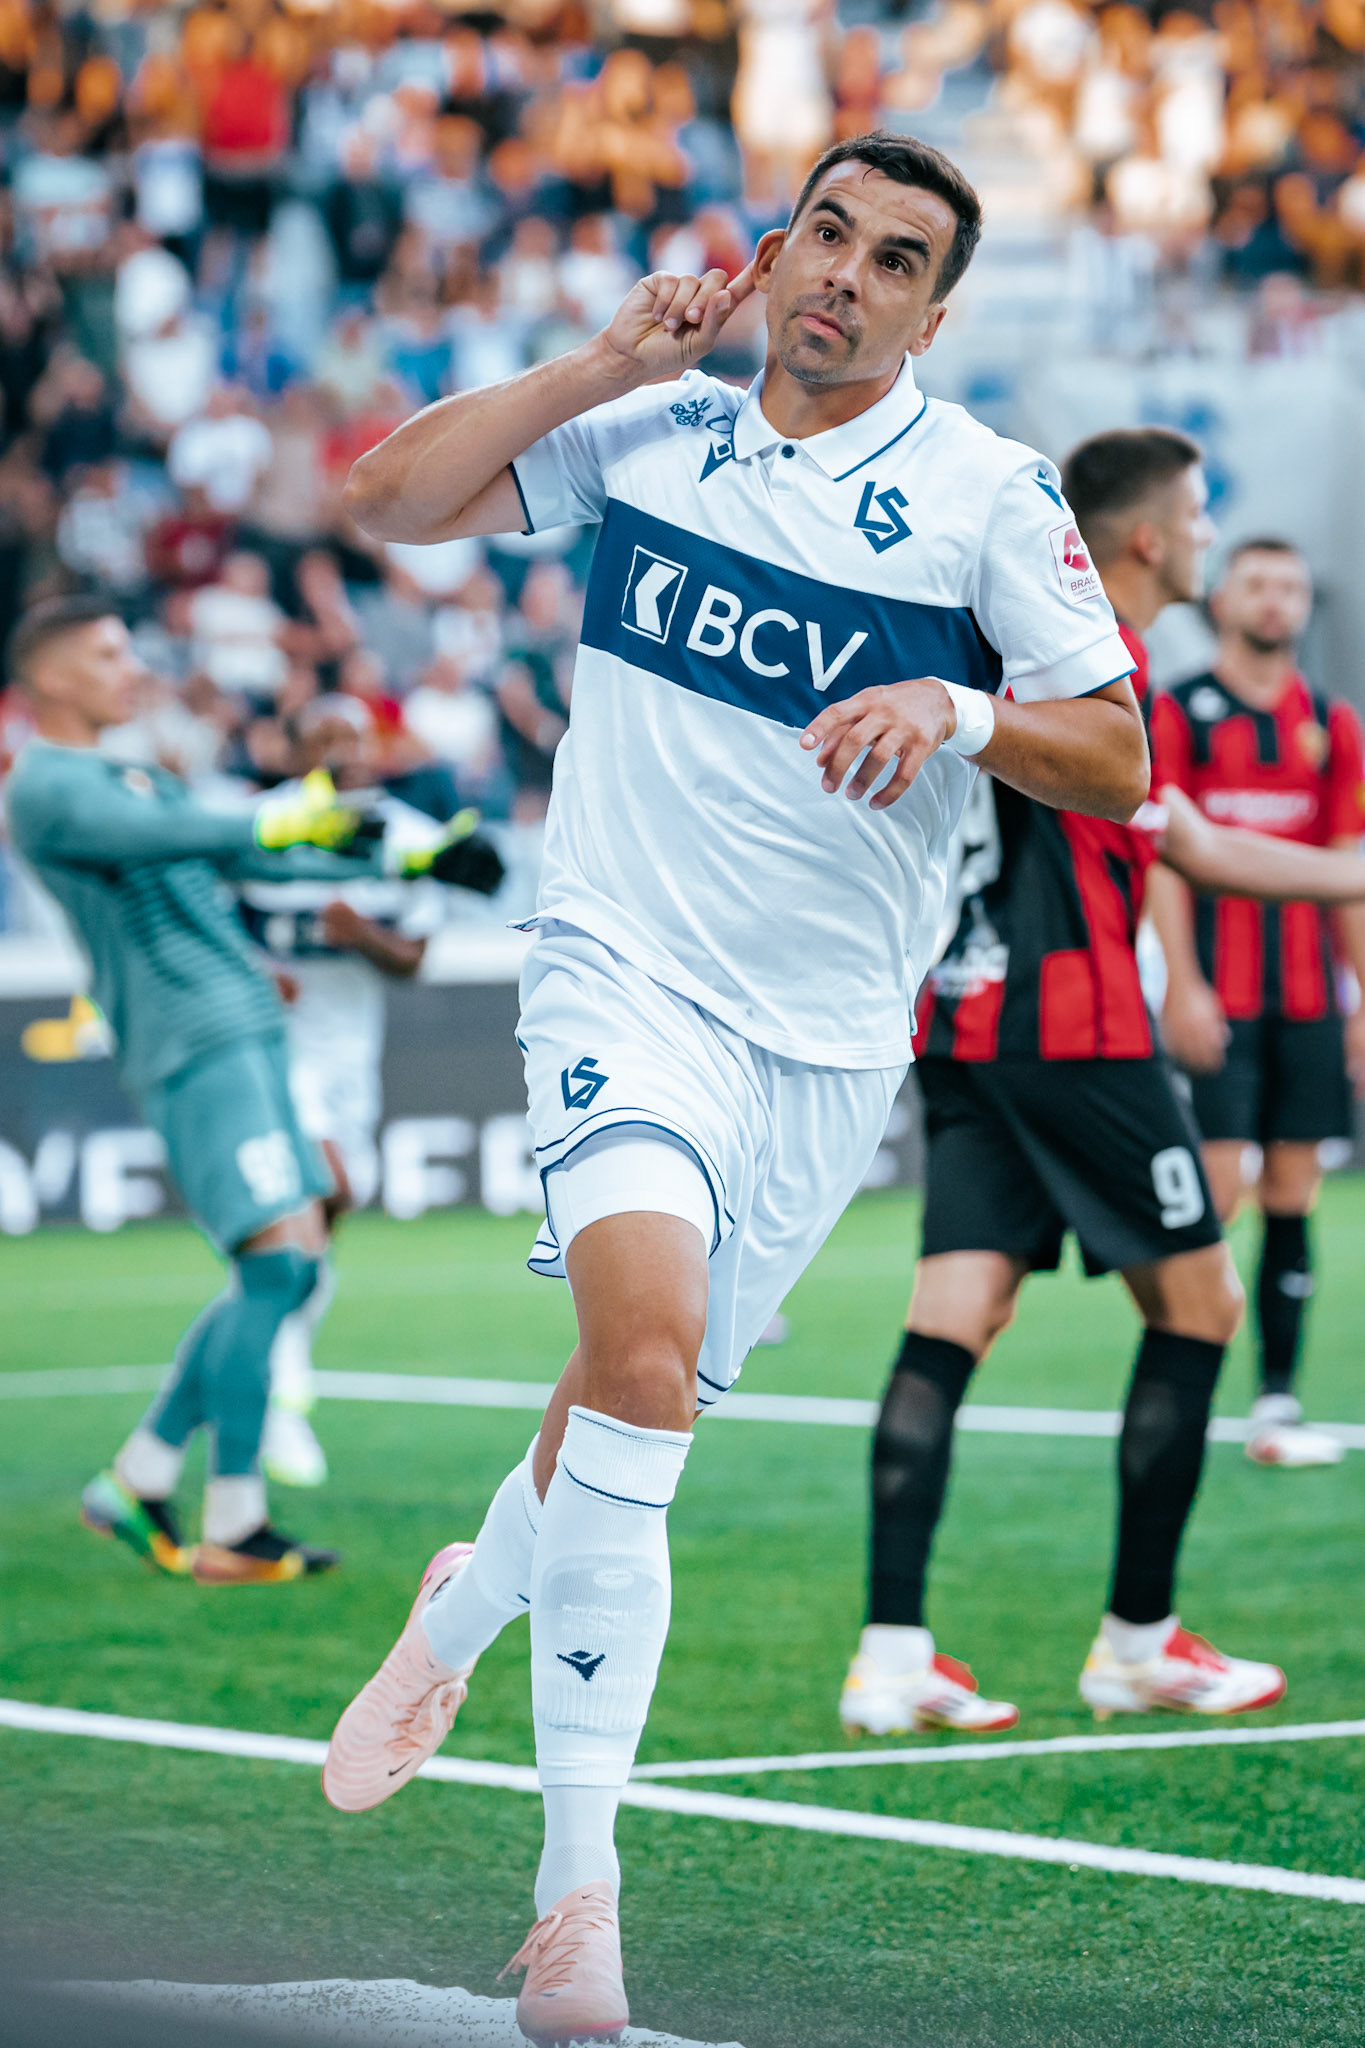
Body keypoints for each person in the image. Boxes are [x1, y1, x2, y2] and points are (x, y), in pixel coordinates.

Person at [323, 131, 1148, 2044]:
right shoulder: (654, 429)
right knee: (637, 1362)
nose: (843, 275)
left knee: (638, 1393)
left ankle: (461, 1607)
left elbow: (1114, 761)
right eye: (824, 233)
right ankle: (576, 1900)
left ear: (938, 310)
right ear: (776, 247)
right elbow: (386, 500)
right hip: (617, 967)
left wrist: (957, 708)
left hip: (832, 1042)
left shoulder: (986, 499)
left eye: (895, 259)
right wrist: (606, 363)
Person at [839, 427, 1291, 1746]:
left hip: (967, 1018)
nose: (1208, 536)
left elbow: (1183, 842)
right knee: (1201, 1305)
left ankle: (891, 1655)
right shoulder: (1101, 660)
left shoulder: (986, 643)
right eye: (1200, 516)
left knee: (952, 1319)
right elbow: (1185, 845)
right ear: (1145, 537)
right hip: (1079, 1025)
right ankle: (1140, 1643)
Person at [6, 597, 498, 1581]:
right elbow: (197, 830)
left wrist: (403, 852)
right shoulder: (49, 783)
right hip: (195, 1041)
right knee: (278, 1265)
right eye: (107, 652)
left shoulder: (129, 769)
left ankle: (142, 1477)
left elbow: (237, 844)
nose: (130, 666)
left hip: (247, 1033)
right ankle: (231, 1517)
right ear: (50, 675)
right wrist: (282, 813)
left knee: (295, 1261)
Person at [238, 695, 503, 1489]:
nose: (342, 753)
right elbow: (208, 919)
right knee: (324, 1187)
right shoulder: (258, 827)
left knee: (326, 1212)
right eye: (322, 739)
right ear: (291, 756)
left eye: (353, 737)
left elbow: (414, 959)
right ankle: (281, 1384)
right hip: (269, 1049)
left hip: (351, 1053)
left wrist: (361, 935)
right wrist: (254, 980)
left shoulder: (407, 837)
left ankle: (271, 1348)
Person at [1147, 541, 1365, 1468]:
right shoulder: (1177, 708)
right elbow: (1161, 853)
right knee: (1221, 1185)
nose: (1277, 602)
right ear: (1222, 597)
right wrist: (1182, 984)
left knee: (1291, 1189)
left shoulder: (1329, 721)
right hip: (1219, 1001)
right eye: (1259, 584)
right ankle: (1183, 1384)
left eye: (1292, 587)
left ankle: (1276, 1401)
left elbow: (1347, 870)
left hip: (1309, 1000)